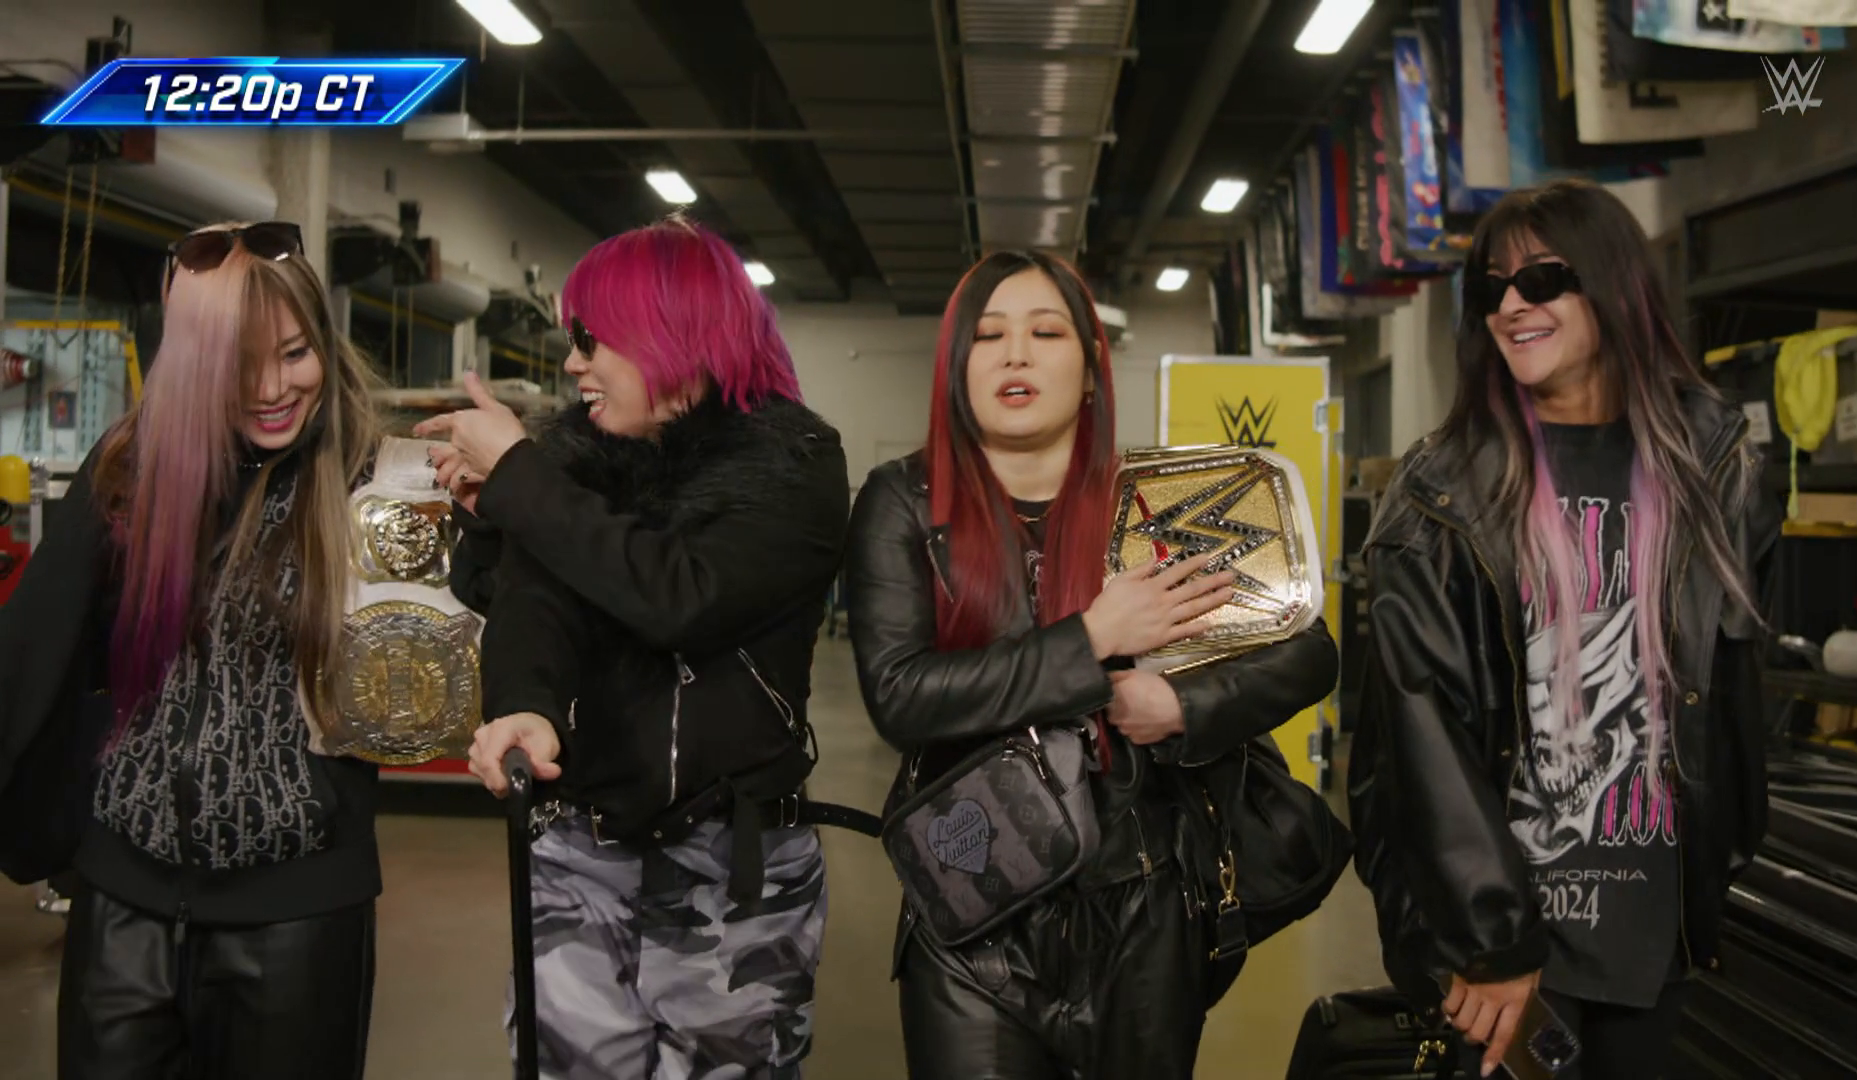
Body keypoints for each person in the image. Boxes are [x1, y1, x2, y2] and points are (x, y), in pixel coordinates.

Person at [843, 249, 1340, 1079]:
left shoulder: (1157, 498)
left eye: (1046, 333)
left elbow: (1307, 651)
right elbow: (900, 694)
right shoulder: (903, 501)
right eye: (988, 336)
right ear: (956, 366)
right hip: (974, 904)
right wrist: (1091, 638)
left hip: (1143, 902)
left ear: (1089, 370)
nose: (1016, 354)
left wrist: (1180, 707)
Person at [1349, 179, 1779, 1079]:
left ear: (1614, 285)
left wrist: (1723, 865)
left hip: (1655, 929)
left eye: (1541, 278)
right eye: (1491, 288)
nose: (1511, 305)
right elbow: (1418, 738)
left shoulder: (1714, 470)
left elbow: (1730, 687)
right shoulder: (1443, 494)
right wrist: (1486, 938)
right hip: (1505, 945)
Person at [429, 218, 849, 1079]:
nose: (573, 362)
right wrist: (523, 705)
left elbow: (679, 597)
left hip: (735, 872)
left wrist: (521, 479)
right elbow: (530, 603)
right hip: (578, 854)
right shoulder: (573, 463)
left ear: (671, 330)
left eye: (592, 338)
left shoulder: (794, 461)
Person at [0, 221, 385, 1078]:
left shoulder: (375, 487)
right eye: (239, 363)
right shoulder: (128, 472)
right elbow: (31, 652)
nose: (273, 388)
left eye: (295, 353)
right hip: (122, 905)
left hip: (298, 916)